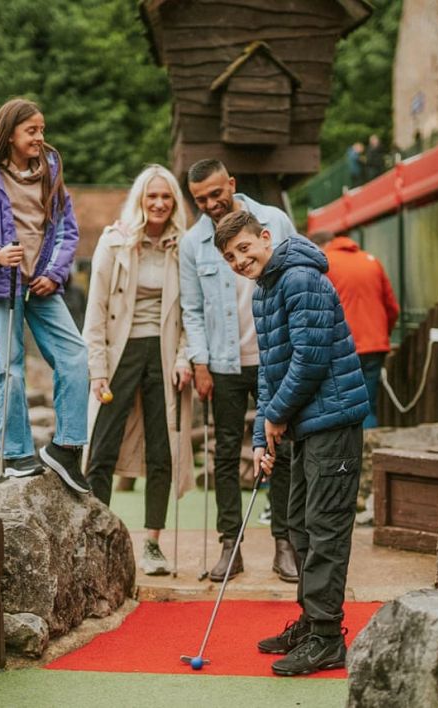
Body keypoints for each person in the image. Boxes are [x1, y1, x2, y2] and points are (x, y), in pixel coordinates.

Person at [213, 210, 369, 676]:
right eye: (229, 257)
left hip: (333, 421)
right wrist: (262, 434)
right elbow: (272, 371)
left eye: (244, 248)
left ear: (265, 238)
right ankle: (310, 620)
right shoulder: (264, 290)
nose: (239, 260)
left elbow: (311, 359)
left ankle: (326, 636)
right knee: (299, 523)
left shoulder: (300, 278)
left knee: (325, 528)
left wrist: (278, 415)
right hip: (305, 425)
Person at [0, 97, 90, 490]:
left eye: (42, 130)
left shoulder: (51, 172)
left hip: (42, 285)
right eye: (32, 130)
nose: (40, 137)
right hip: (1, 284)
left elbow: (67, 231)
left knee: (75, 355)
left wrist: (55, 273)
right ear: (10, 133)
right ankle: (16, 453)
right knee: (9, 368)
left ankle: (66, 448)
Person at [179, 159, 299, 584]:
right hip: (225, 365)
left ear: (231, 183)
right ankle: (232, 544)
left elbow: (298, 275)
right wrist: (200, 362)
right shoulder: (193, 243)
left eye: (216, 193)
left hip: (275, 357)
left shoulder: (275, 221)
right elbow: (191, 309)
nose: (211, 204)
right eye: (201, 200)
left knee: (281, 449)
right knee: (225, 454)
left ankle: (285, 543)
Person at [82, 165, 194, 575]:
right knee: (103, 445)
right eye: (153, 197)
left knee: (162, 448)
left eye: (167, 197)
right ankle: (95, 535)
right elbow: (95, 309)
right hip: (120, 352)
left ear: (175, 203)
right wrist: (96, 369)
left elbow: (189, 313)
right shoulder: (114, 243)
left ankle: (152, 543)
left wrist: (184, 357)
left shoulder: (184, 248)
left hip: (163, 354)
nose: (160, 204)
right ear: (140, 200)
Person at [309, 230, 399, 428]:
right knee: (368, 403)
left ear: (319, 246)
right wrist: (383, 335)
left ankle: (351, 455)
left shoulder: (324, 264)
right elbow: (392, 307)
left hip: (342, 345)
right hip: (375, 345)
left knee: (342, 404)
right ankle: (369, 450)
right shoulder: (371, 260)